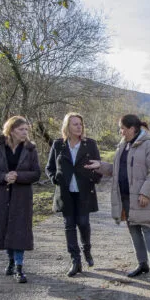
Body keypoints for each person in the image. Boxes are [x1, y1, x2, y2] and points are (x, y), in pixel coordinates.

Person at [85, 114, 150, 281]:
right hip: (125, 196)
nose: (120, 131)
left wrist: (145, 193)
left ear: (132, 129)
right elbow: (117, 169)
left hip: (142, 197)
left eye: (122, 128)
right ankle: (142, 264)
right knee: (133, 229)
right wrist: (100, 165)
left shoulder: (149, 145)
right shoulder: (122, 146)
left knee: (148, 228)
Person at [0, 116, 41, 283]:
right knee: (5, 228)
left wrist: (18, 176)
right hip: (0, 195)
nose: (25, 132)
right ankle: (11, 261)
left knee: (19, 230)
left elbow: (36, 173)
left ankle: (20, 268)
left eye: (27, 130)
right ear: (11, 130)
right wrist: (3, 176)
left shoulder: (30, 149)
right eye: (22, 129)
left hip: (22, 197)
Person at [46, 113, 102, 277]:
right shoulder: (58, 145)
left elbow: (98, 166)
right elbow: (49, 167)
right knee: (69, 225)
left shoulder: (90, 144)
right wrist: (55, 179)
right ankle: (75, 260)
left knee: (83, 223)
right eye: (75, 124)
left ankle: (87, 250)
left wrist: (94, 178)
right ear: (67, 127)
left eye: (80, 124)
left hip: (84, 191)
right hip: (65, 192)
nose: (79, 127)